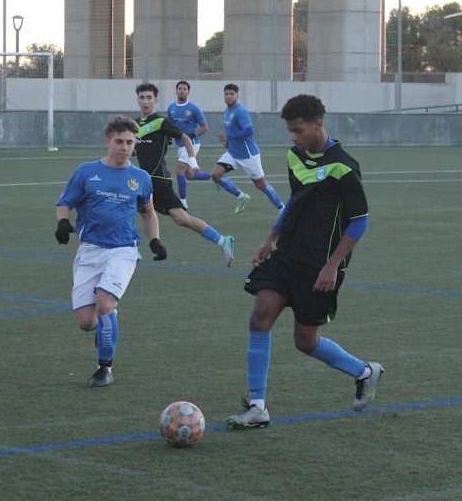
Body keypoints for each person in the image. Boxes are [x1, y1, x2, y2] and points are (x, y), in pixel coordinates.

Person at [225, 94, 383, 429]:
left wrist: (332, 265)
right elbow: (295, 202)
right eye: (290, 131)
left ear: (318, 124)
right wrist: (271, 238)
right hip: (289, 255)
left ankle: (365, 372)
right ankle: (257, 407)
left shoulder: (343, 165)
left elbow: (360, 221)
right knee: (260, 317)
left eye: (298, 130)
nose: (294, 137)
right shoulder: (295, 155)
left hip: (320, 264)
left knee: (305, 341)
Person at [55, 116, 168, 387]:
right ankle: (109, 321)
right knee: (85, 321)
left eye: (130, 142)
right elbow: (65, 203)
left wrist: (154, 241)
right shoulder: (86, 172)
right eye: (119, 141)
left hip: (123, 250)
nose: (125, 147)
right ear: (108, 142)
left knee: (104, 304)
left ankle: (104, 367)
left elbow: (149, 213)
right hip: (90, 251)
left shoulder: (140, 178)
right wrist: (62, 223)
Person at [133, 83, 235, 266]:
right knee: (131, 209)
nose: (145, 101)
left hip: (159, 180)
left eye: (149, 98)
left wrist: (193, 162)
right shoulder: (134, 125)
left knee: (181, 219)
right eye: (142, 98)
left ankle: (222, 241)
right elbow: (135, 149)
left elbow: (186, 138)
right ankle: (131, 250)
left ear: (156, 100)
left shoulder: (160, 122)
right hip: (141, 180)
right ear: (138, 100)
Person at [212, 83, 284, 214]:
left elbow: (249, 131)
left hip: (248, 155)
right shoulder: (226, 111)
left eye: (231, 94)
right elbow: (232, 133)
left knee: (261, 185)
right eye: (226, 94)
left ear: (237, 96)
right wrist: (228, 143)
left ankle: (282, 208)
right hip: (233, 153)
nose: (228, 96)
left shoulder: (240, 111)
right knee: (216, 175)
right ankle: (241, 196)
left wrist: (228, 136)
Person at [166, 80, 212, 209]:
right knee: (189, 175)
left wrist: (192, 135)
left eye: (184, 89)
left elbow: (205, 127)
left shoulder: (194, 108)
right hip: (179, 145)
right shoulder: (171, 108)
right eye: (179, 88)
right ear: (176, 91)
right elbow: (170, 125)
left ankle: (183, 202)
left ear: (188, 92)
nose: (182, 91)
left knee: (180, 170)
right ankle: (214, 176)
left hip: (192, 144)